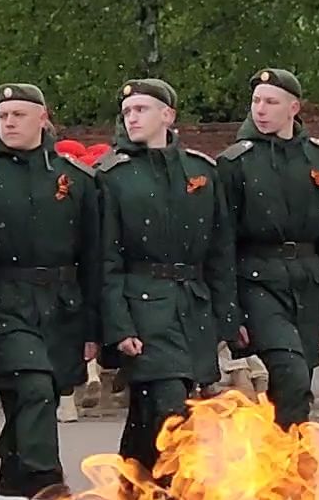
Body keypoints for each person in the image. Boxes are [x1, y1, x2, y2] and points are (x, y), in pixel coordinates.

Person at [0, 83, 101, 498]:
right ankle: (45, 479)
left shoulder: (74, 178)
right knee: (34, 384)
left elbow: (92, 258)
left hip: (60, 304)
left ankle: (13, 480)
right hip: (2, 301)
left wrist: (93, 326)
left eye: (19, 114)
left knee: (39, 395)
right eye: (2, 116)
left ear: (43, 118)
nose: (9, 122)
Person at [96, 79, 236, 477]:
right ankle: (177, 492)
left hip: (192, 303)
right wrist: (118, 325)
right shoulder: (114, 175)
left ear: (167, 116)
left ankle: (134, 486)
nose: (132, 118)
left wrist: (226, 315)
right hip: (143, 303)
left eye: (141, 110)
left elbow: (220, 251)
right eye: (127, 112)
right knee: (170, 401)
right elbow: (105, 259)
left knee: (152, 406)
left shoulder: (201, 171)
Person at [217, 68, 319, 431]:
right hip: (257, 279)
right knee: (289, 371)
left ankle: (285, 464)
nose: (260, 109)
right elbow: (222, 243)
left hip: (309, 281)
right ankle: (285, 458)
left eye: (271, 102)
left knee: (298, 384)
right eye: (256, 101)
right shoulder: (235, 163)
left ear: (294, 108)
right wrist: (229, 314)